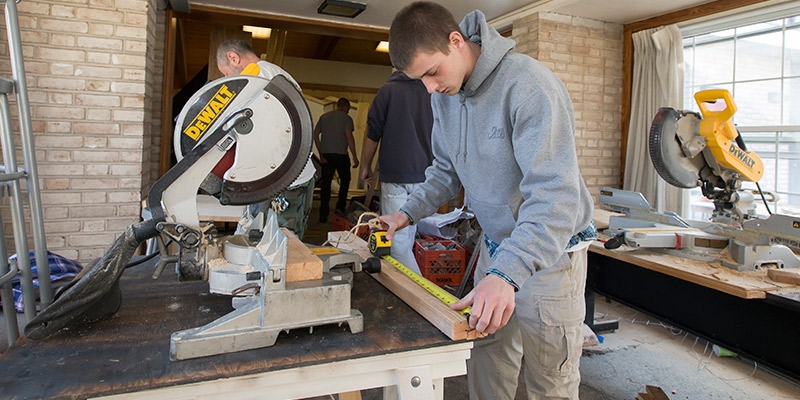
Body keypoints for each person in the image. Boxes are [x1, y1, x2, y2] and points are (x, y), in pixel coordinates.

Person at [379, 3, 598, 399]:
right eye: (419, 81)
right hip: (495, 249)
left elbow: (555, 197)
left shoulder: (529, 86)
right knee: (487, 359)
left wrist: (508, 274)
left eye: (431, 72)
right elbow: (445, 172)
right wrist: (405, 214)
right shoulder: (444, 97)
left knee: (549, 379)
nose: (429, 88)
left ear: (456, 41)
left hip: (548, 256)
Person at [216, 39, 317, 240]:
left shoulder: (257, 75)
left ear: (233, 58)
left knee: (278, 245)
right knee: (278, 243)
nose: (228, 79)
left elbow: (233, 123)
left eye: (226, 74)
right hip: (288, 174)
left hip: (283, 179)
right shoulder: (277, 74)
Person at [360, 70, 433, 274]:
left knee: (397, 241)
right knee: (408, 235)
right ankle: (416, 289)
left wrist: (366, 166)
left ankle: (420, 292)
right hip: (425, 176)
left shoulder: (387, 91)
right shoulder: (430, 91)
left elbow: (373, 134)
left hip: (396, 176)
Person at [314, 98, 359, 223]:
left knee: (326, 185)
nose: (348, 112)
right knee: (345, 181)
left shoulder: (324, 117)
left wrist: (320, 153)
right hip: (341, 155)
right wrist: (355, 156)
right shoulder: (346, 119)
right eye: (348, 109)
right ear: (345, 106)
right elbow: (349, 137)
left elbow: (315, 134)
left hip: (327, 155)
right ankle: (339, 209)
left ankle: (323, 214)